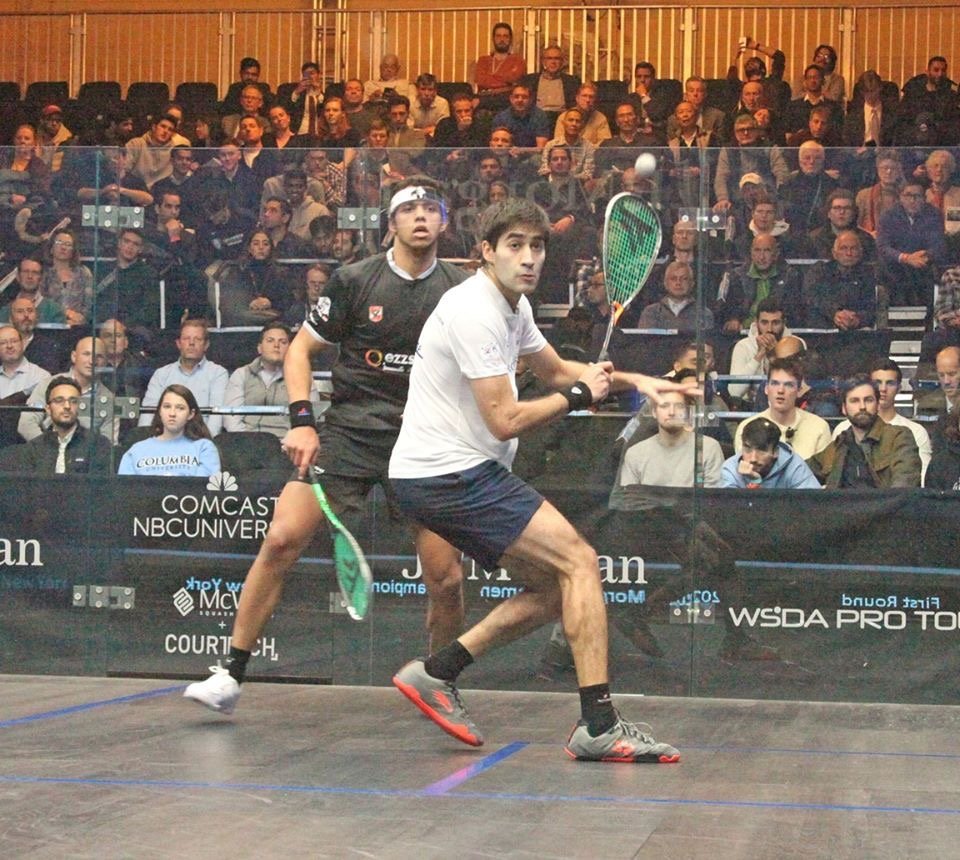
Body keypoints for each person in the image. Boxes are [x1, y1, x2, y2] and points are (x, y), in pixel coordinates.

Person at [387, 198, 690, 762]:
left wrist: (637, 381)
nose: (529, 258)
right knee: (580, 562)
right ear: (486, 252)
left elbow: (554, 370)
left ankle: (437, 672)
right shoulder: (473, 311)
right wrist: (578, 396)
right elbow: (505, 418)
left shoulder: (513, 306)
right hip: (450, 473)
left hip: (445, 474)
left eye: (537, 246)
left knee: (557, 587)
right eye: (515, 246)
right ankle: (598, 725)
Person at [183, 178, 470, 715]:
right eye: (409, 209)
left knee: (447, 577)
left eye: (432, 208)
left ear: (444, 222)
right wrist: (302, 423)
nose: (421, 216)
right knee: (281, 539)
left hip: (427, 440)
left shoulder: (461, 290)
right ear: (391, 223)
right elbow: (300, 351)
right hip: (350, 434)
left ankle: (440, 684)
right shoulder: (355, 280)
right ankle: (231, 673)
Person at [807, 375, 921, 488]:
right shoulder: (839, 445)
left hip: (885, 500)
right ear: (844, 408)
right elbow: (801, 471)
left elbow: (904, 484)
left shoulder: (898, 437)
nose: (862, 407)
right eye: (854, 401)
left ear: (877, 405)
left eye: (868, 400)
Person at [832, 359, 931, 482]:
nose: (883, 389)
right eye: (877, 383)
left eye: (890, 383)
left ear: (899, 388)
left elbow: (922, 479)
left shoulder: (916, 431)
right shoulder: (843, 430)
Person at [222, 322, 321, 438]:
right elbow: (231, 417)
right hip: (246, 441)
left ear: (290, 348)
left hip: (287, 443)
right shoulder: (241, 374)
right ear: (259, 348)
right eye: (270, 341)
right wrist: (247, 440)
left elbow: (312, 415)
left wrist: (289, 441)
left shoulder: (302, 375)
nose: (276, 345)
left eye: (283, 342)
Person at [0, 376, 113, 474]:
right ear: (48, 409)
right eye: (59, 400)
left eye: (73, 401)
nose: (67, 406)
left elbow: (99, 488)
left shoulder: (98, 445)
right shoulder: (33, 449)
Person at [18, 336, 116, 444]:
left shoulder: (109, 399)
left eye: (99, 356)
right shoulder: (47, 384)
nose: (92, 361)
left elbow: (107, 442)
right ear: (74, 357)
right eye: (86, 354)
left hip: (85, 453)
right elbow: (26, 424)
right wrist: (47, 448)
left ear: (106, 362)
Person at [139, 319, 228, 436]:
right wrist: (148, 441)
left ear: (206, 345)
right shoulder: (161, 374)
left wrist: (205, 442)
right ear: (178, 344)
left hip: (200, 440)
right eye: (186, 338)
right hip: (165, 441)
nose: (191, 343)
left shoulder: (218, 373)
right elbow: (148, 414)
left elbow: (216, 418)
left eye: (197, 339)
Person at [734, 358, 832, 459]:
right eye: (775, 383)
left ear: (799, 391)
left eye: (789, 385)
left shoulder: (819, 427)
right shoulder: (747, 428)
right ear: (766, 389)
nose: (780, 390)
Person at [119, 383, 220, 476]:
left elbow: (202, 487)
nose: (172, 413)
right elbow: (126, 488)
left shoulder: (204, 448)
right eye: (167, 407)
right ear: (160, 411)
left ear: (191, 414)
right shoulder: (136, 450)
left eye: (180, 408)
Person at [876, 180, 947, 307]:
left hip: (923, 265)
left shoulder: (934, 215)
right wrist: (906, 258)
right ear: (900, 197)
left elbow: (938, 245)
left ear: (924, 198)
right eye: (908, 195)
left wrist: (925, 256)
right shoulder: (888, 216)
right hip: (894, 267)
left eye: (917, 196)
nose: (912, 200)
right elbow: (883, 247)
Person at [726, 298, 798, 405]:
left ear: (784, 323)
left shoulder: (796, 344)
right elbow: (735, 392)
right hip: (750, 406)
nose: (769, 329)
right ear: (756, 322)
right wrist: (758, 356)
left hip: (787, 405)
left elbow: (798, 388)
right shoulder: (743, 346)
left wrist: (775, 355)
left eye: (775, 323)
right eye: (764, 323)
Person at [802, 230, 878, 330]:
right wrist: (835, 313)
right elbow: (811, 296)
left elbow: (872, 306)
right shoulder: (820, 271)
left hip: (859, 331)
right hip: (823, 328)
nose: (849, 253)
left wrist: (857, 319)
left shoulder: (870, 274)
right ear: (834, 253)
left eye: (853, 248)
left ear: (860, 252)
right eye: (843, 248)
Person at [721, 416, 820, 489]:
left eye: (762, 450)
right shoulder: (731, 468)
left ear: (776, 452)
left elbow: (813, 505)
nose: (753, 458)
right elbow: (729, 509)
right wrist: (754, 483)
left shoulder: (794, 466)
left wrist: (758, 485)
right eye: (748, 449)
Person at [637, 261, 715, 332]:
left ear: (692, 284)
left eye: (684, 279)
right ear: (665, 283)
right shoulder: (650, 313)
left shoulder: (703, 314)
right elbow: (646, 341)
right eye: (673, 279)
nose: (678, 283)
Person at [520, 45, 581, 128]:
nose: (553, 62)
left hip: (562, 121)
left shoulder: (572, 82)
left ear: (562, 62)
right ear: (543, 62)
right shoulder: (530, 80)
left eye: (557, 58)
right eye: (549, 58)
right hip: (537, 120)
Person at [474, 22, 526, 112]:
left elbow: (514, 79)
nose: (502, 39)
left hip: (506, 102)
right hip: (485, 102)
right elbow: (481, 81)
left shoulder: (518, 61)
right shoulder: (483, 60)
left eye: (505, 36)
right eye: (498, 36)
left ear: (510, 39)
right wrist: (505, 82)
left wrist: (491, 78)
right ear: (493, 39)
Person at [0, 258, 64, 325]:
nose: (30, 276)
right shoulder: (5, 311)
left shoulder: (54, 311)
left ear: (41, 278)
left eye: (35, 272)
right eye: (25, 272)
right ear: (18, 276)